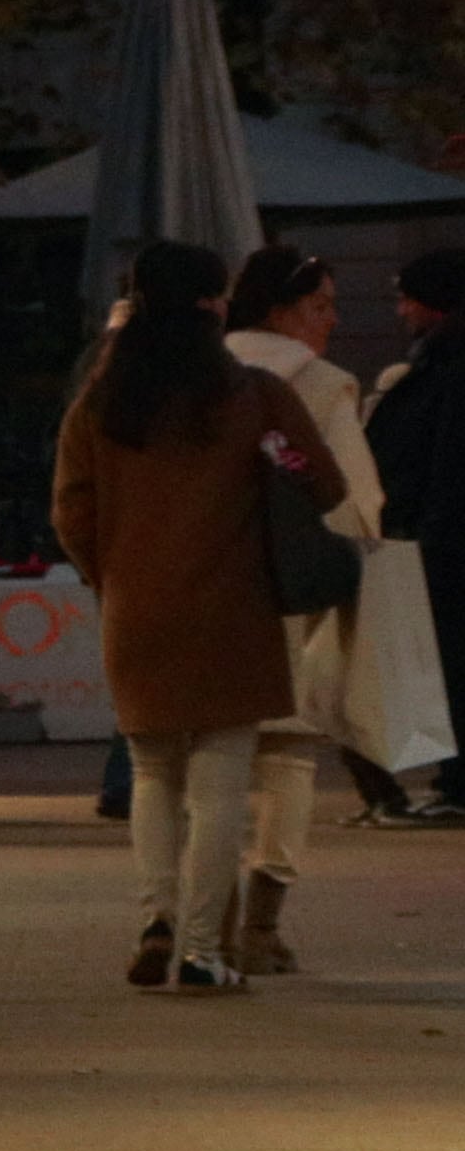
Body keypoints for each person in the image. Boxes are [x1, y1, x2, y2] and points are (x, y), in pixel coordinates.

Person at [55, 240, 341, 994]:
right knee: (219, 779)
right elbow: (325, 483)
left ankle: (154, 918)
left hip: (136, 609)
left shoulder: (101, 400)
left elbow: (69, 509)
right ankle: (202, 948)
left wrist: (109, 576)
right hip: (233, 608)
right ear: (214, 304)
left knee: (152, 771)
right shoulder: (252, 394)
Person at [224, 247, 386, 968]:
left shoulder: (199, 371)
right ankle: (260, 925)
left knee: (205, 760)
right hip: (291, 593)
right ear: (279, 311)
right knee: (286, 753)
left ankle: (195, 919)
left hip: (206, 587)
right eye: (320, 305)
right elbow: (356, 502)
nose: (332, 319)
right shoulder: (320, 384)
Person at [364, 247, 465, 815]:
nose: (401, 310)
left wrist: (433, 531)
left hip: (445, 540)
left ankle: (459, 782)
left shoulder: (448, 363)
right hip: (439, 535)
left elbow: (448, 455)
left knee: (450, 661)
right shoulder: (438, 358)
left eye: (408, 298)